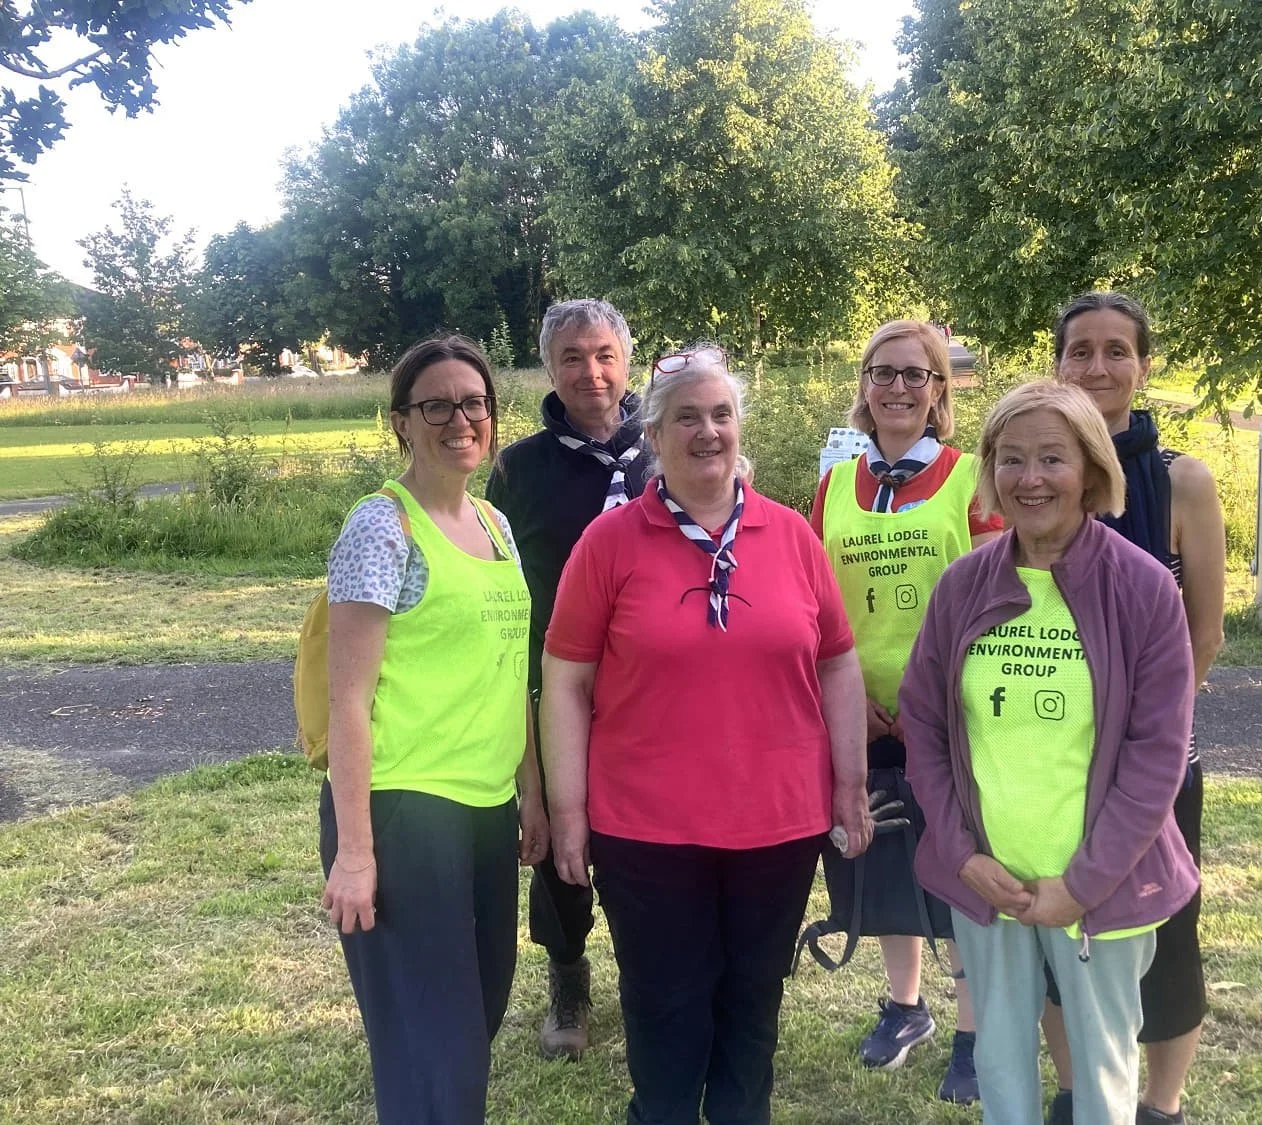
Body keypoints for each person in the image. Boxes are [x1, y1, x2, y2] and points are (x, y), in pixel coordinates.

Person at [541, 346, 874, 1125]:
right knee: (665, 1011)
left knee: (753, 1006)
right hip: (646, 828)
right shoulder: (611, 542)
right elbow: (565, 680)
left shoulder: (792, 535)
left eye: (721, 414)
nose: (707, 431)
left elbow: (838, 662)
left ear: (739, 427)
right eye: (686, 416)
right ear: (653, 435)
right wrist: (567, 810)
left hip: (779, 825)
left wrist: (850, 783)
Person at [899, 380, 1200, 1125]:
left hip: (1102, 889)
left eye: (1052, 459)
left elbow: (1156, 756)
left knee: (1101, 1072)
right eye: (1011, 458)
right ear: (991, 470)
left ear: (1091, 471)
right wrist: (963, 852)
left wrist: (1083, 883)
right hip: (988, 881)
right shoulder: (963, 584)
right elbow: (925, 724)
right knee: (1000, 1062)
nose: (1030, 479)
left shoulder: (1143, 587)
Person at [319, 333, 548, 1123]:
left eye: (475, 402)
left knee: (473, 1024)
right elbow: (345, 699)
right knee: (435, 1047)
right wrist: (355, 852)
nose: (461, 418)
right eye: (437, 404)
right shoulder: (383, 530)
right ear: (401, 423)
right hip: (403, 811)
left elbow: (510, 668)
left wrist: (532, 794)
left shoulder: (494, 523)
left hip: (484, 812)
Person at [1044, 291, 1226, 1125]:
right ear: (1059, 364)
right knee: (1055, 927)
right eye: (1081, 350)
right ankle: (1079, 1091)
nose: (1098, 366)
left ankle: (1160, 1103)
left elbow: (1204, 636)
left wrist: (1146, 746)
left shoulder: (1182, 481)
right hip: (1048, 760)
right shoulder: (1037, 472)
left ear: (1144, 366)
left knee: (1165, 931)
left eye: (1117, 350)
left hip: (1154, 766)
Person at [809, 320, 1003, 1103]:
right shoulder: (834, 485)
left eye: (914, 374)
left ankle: (974, 1030)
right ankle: (904, 1006)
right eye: (881, 373)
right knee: (885, 857)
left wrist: (927, 697)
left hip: (952, 713)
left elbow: (998, 600)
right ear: (862, 386)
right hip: (860, 712)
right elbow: (817, 600)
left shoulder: (970, 480)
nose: (896, 388)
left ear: (939, 391)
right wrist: (854, 702)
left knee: (959, 868)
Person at [485, 297, 653, 1059]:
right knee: (561, 835)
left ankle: (655, 970)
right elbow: (494, 580)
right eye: (574, 357)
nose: (592, 371)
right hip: (560, 687)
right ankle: (567, 972)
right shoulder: (516, 469)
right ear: (550, 368)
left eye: (604, 354)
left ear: (628, 360)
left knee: (653, 840)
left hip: (657, 690)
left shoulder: (668, 447)